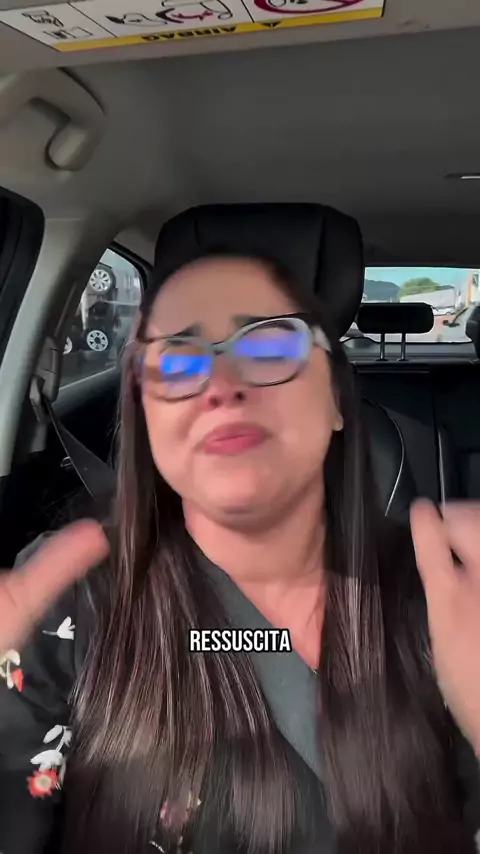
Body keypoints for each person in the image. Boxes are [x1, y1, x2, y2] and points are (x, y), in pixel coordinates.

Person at [1, 249, 480, 854]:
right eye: (178, 359)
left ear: (337, 398)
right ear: (144, 413)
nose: (221, 387)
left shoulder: (454, 601)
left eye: (270, 347)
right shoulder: (65, 603)